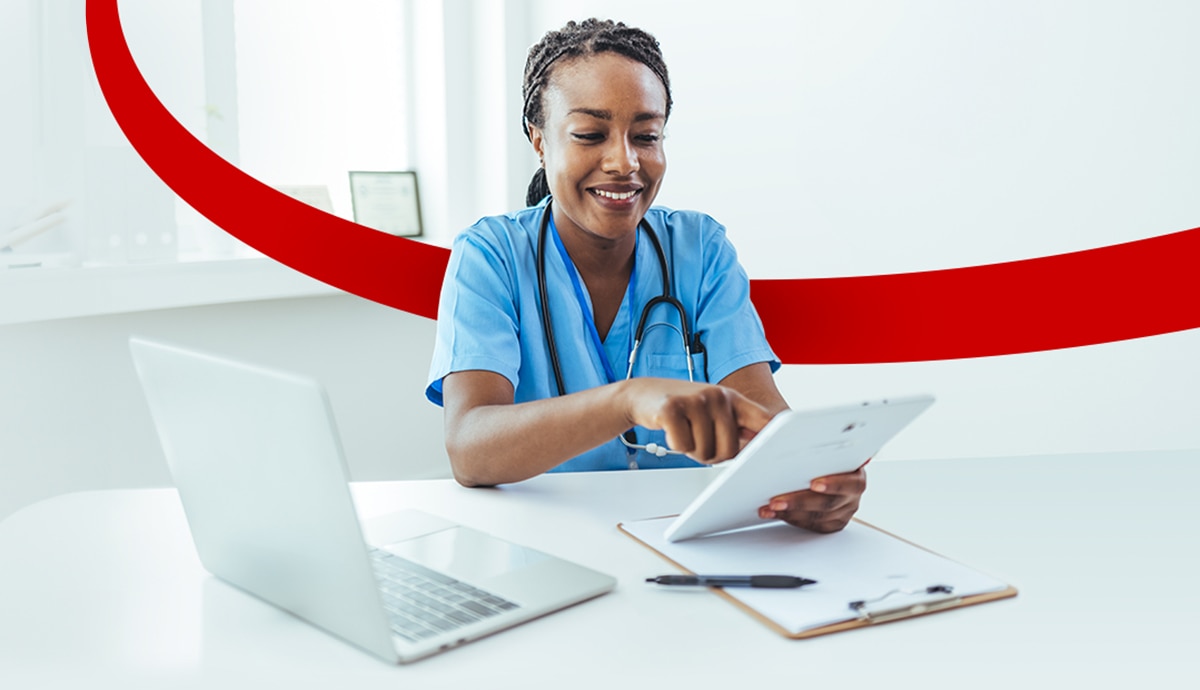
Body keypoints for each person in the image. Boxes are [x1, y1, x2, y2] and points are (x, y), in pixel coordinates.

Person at [426, 18, 865, 533]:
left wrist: (809, 479)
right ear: (539, 140)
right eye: (590, 134)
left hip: (687, 535)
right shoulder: (491, 255)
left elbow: (762, 417)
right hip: (546, 537)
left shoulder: (699, 249)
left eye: (646, 136)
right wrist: (629, 399)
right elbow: (470, 450)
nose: (624, 161)